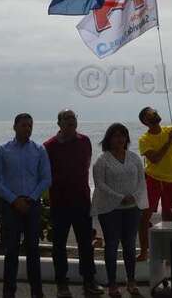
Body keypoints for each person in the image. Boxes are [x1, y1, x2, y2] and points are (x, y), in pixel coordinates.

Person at [43, 109, 104, 297]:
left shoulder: (84, 141)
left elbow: (84, 166)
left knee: (85, 244)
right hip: (59, 203)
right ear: (59, 123)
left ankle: (89, 281)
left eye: (73, 118)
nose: (71, 122)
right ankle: (62, 284)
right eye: (67, 119)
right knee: (59, 245)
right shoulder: (48, 146)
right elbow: (47, 174)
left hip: (82, 201)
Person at [0, 113, 52, 298]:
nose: (28, 128)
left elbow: (46, 178)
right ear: (15, 127)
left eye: (30, 125)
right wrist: (14, 200)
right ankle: (9, 292)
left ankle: (37, 292)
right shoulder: (2, 150)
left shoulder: (39, 150)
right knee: (11, 250)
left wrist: (31, 198)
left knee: (33, 250)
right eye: (24, 125)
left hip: (32, 205)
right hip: (11, 206)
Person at [92, 123, 148, 297]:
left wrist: (134, 196)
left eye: (122, 135)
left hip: (133, 208)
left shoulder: (134, 158)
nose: (120, 139)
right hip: (110, 209)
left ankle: (131, 282)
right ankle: (112, 285)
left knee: (130, 246)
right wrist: (119, 197)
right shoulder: (102, 160)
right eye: (115, 136)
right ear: (109, 139)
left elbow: (141, 180)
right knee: (111, 246)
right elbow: (99, 184)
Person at [136, 106, 172, 260]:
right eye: (151, 114)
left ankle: (169, 253)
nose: (155, 114)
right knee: (144, 216)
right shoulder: (144, 139)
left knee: (170, 217)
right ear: (145, 121)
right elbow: (154, 159)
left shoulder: (170, 130)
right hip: (153, 178)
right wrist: (169, 142)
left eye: (155, 112)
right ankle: (143, 251)